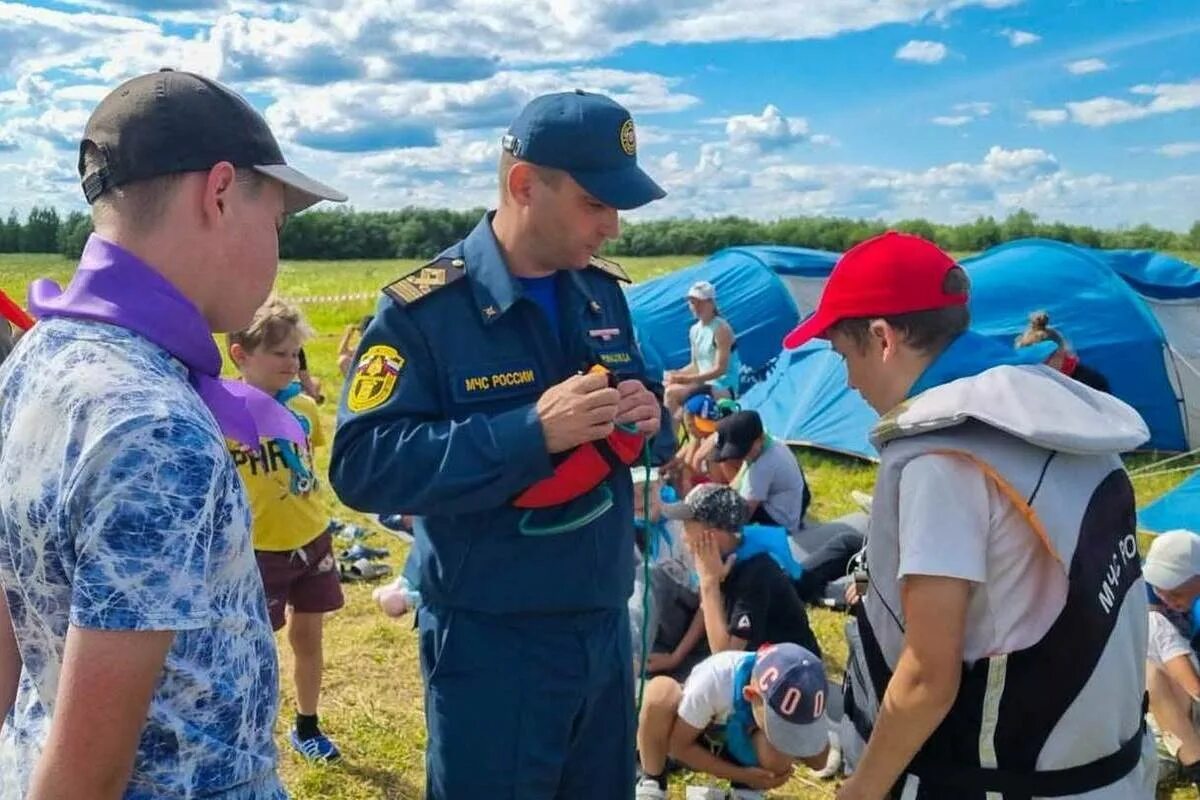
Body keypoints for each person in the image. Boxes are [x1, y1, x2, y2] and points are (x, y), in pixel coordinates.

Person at [0, 69, 344, 799]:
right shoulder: (153, 423)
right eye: (277, 222)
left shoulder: (37, 357)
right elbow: (90, 773)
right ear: (220, 193)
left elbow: (14, 612)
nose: (276, 248)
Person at [329, 90, 670, 799]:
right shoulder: (425, 310)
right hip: (493, 641)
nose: (611, 226)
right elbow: (363, 465)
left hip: (605, 622)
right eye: (593, 203)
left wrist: (649, 415)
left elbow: (645, 409)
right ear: (523, 185)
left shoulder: (601, 293)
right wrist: (529, 433)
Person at [782, 231, 1155, 800]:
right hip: (1107, 763)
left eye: (843, 356)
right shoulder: (1056, 412)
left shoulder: (940, 457)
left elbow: (929, 678)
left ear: (881, 338)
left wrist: (863, 788)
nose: (850, 381)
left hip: (1001, 780)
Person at [227, 297, 345, 761]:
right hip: (257, 550)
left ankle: (307, 726)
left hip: (312, 539)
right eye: (279, 354)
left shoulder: (305, 409)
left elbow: (308, 464)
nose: (291, 363)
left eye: (295, 353)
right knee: (255, 649)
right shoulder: (223, 413)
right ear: (241, 355)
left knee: (308, 638)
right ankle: (251, 734)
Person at [635, 642, 832, 800]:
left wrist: (799, 749)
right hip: (692, 734)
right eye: (781, 725)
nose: (787, 735)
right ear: (751, 695)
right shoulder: (714, 681)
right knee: (659, 693)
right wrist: (742, 775)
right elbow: (678, 747)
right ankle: (653, 779)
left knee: (777, 755)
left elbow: (819, 761)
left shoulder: (805, 691)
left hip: (737, 740)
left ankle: (746, 791)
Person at [663, 484, 822, 658]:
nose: (683, 536)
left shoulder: (755, 572)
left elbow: (726, 658)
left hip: (787, 671)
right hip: (754, 657)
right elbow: (707, 610)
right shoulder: (725, 556)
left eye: (687, 528)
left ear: (712, 535)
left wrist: (710, 584)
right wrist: (675, 657)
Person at [1140, 530, 1200, 788]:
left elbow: (1193, 687)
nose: (1166, 598)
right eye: (1159, 589)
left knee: (1149, 674)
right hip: (1166, 718)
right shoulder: (1149, 598)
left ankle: (1194, 762)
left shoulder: (1156, 623)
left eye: (1176, 593)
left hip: (1185, 705)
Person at [712, 410, 811, 534]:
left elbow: (744, 513)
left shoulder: (763, 465)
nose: (743, 457)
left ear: (760, 439)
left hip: (781, 523)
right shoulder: (770, 444)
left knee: (730, 526)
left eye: (744, 451)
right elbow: (739, 482)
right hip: (786, 504)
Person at [665, 281, 741, 414]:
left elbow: (720, 370)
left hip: (723, 388)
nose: (696, 306)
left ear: (711, 303)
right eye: (692, 302)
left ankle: (674, 433)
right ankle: (681, 427)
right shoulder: (694, 330)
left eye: (700, 302)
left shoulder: (721, 328)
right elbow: (695, 365)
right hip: (704, 384)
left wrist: (685, 379)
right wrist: (676, 374)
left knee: (672, 394)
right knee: (668, 388)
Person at [1015, 310, 1110, 392]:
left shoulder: (1090, 382)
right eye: (1031, 361)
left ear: (1060, 354)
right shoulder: (1030, 376)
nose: (1038, 366)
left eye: (1043, 360)